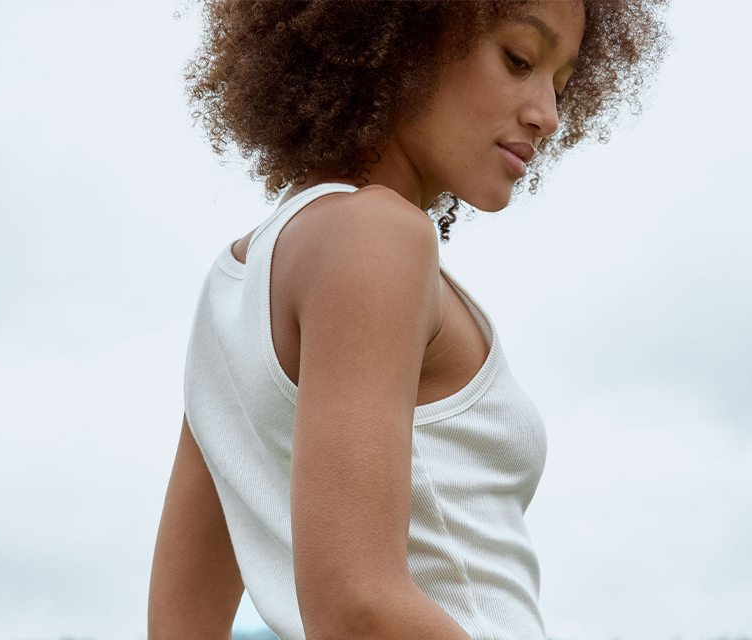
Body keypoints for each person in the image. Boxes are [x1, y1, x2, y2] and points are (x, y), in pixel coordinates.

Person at [149, 1, 670, 639]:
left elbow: (178, 628)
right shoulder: (379, 237)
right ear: (403, 32)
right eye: (518, 60)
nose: (547, 115)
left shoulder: (234, 283)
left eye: (559, 85)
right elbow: (357, 609)